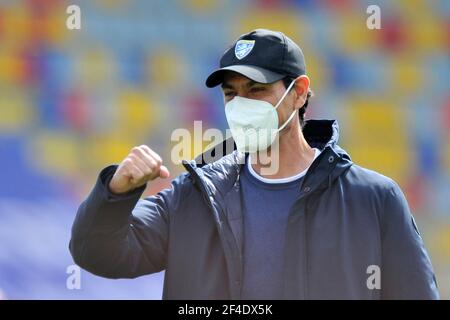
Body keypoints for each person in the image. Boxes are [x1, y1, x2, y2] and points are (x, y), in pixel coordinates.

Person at [70, 29, 439, 299]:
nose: (240, 105)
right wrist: (115, 193)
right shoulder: (195, 197)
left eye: (256, 90)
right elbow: (98, 253)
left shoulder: (372, 199)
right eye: (231, 93)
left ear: (298, 92)